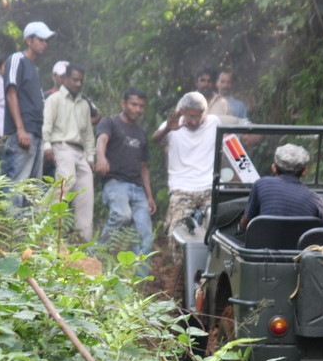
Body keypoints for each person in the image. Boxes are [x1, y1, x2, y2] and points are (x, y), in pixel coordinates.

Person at [153, 91, 220, 259]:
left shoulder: (214, 123)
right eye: (191, 116)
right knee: (178, 233)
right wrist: (168, 128)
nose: (195, 121)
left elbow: (230, 147)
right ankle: (181, 272)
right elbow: (155, 139)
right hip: (181, 188)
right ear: (182, 111)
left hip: (209, 187)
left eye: (199, 116)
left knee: (217, 231)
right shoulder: (173, 125)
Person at [96, 87, 157, 258]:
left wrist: (149, 196)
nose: (138, 109)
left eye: (141, 106)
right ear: (123, 103)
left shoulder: (141, 134)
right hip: (115, 183)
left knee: (145, 238)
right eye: (134, 104)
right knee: (122, 215)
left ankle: (137, 281)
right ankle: (94, 255)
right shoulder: (110, 122)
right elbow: (102, 139)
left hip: (138, 189)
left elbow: (143, 167)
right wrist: (101, 158)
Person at [1, 21, 55, 205]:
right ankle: (10, 229)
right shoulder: (17, 59)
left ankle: (24, 231)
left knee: (32, 189)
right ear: (28, 40)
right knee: (17, 184)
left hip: (36, 132)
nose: (44, 44)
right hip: (22, 133)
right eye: (41, 39)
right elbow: (11, 92)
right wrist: (20, 129)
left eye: (46, 40)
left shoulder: (34, 68)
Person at [42, 63, 96, 242]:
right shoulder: (54, 99)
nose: (78, 84)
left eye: (81, 80)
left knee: (86, 192)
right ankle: (43, 221)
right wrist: (47, 146)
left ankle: (83, 240)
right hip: (61, 145)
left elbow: (88, 133)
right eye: (74, 79)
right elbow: (46, 125)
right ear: (64, 79)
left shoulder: (84, 104)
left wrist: (90, 156)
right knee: (67, 180)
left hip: (80, 152)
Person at [239, 144, 323, 230]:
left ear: (274, 168)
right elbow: (321, 232)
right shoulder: (317, 200)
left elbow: (245, 224)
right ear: (304, 171)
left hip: (263, 245)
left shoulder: (261, 185)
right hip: (299, 245)